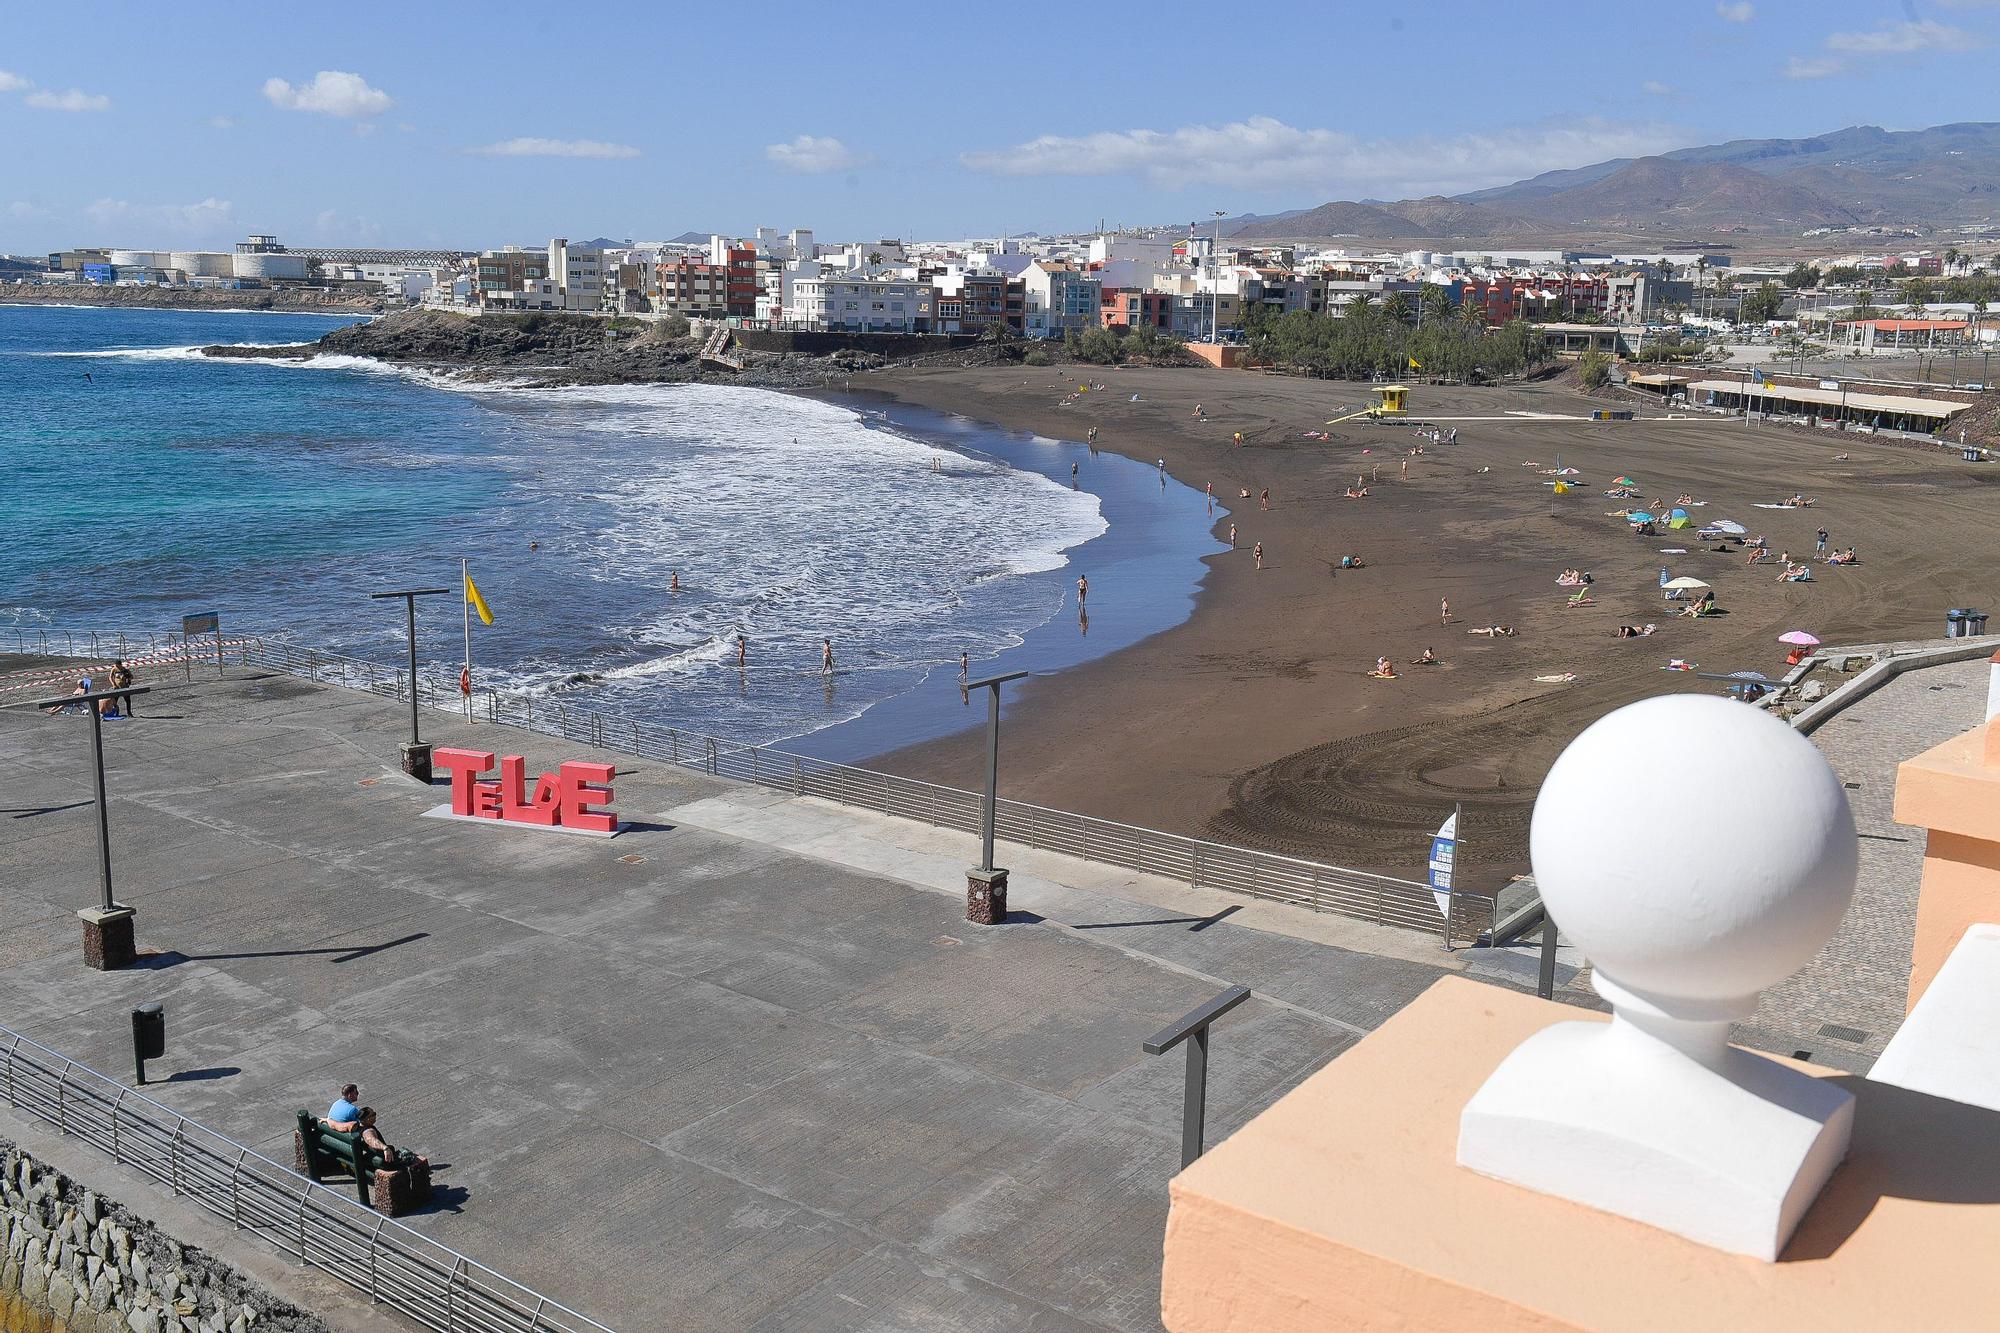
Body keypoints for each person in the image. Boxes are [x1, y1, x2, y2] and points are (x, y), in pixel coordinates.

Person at [355, 1107, 428, 1172]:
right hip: (387, 1161)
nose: (375, 1115)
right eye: (373, 1114)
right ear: (368, 1119)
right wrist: (385, 1148)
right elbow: (371, 1140)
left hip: (374, 1156)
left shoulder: (358, 1127)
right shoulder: (368, 1131)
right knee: (409, 1155)